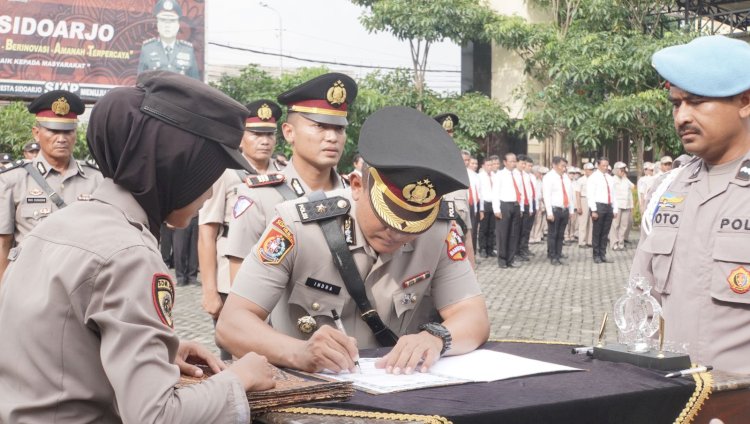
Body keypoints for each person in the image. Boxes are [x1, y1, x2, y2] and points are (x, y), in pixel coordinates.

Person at [0, 71, 275, 422]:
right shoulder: (129, 255)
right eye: (206, 177)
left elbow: (59, 349)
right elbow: (157, 417)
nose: (207, 195)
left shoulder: (62, 223)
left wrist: (159, 352)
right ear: (176, 168)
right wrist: (240, 378)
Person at [216, 106, 489, 374]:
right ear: (357, 186)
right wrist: (299, 352)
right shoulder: (297, 227)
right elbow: (232, 325)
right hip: (311, 391)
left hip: (398, 389)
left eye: (413, 224)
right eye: (388, 216)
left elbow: (473, 315)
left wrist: (437, 338)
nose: (398, 232)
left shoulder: (438, 232)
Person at [633, 35, 750, 373]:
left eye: (697, 101)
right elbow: (641, 303)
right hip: (670, 400)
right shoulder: (667, 189)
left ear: (745, 101)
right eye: (676, 103)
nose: (682, 116)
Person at [225, 72, 355, 281]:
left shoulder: (355, 195)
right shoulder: (257, 198)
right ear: (288, 132)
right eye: (319, 126)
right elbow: (240, 287)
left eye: (339, 128)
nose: (332, 137)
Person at [197, 98, 282, 360]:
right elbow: (207, 233)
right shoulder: (225, 173)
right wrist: (210, 291)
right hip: (230, 282)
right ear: (241, 137)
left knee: (274, 354)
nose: (264, 140)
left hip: (274, 277)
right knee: (236, 357)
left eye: (269, 134)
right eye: (256, 133)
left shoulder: (284, 174)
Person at [0, 90, 103, 277]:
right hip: (30, 282)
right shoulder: (12, 180)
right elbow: (3, 243)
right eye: (53, 131)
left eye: (68, 131)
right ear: (37, 133)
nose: (62, 138)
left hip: (80, 283)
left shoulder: (96, 179)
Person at [434, 113, 475, 267]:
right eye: (444, 132)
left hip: (459, 244)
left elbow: (466, 223)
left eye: (450, 132)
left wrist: (472, 264)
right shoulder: (425, 162)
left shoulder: (458, 166)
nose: (448, 136)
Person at [137, 0, 199, 79]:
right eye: (163, 20)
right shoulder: (147, 49)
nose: (167, 25)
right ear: (158, 25)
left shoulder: (187, 50)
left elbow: (195, 83)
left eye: (172, 21)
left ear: (178, 26)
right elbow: (141, 82)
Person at [492, 152, 524, 269]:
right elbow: (495, 193)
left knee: (513, 234)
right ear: (505, 162)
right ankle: (502, 260)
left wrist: (521, 207)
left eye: (514, 160)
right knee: (503, 233)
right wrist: (496, 209)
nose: (513, 163)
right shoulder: (499, 175)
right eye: (510, 161)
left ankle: (511, 259)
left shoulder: (518, 174)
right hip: (504, 205)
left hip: (515, 205)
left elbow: (520, 192)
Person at [543, 156, 574, 265]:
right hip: (554, 209)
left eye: (565, 166)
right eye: (562, 166)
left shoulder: (565, 177)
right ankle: (553, 256)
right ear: (554, 165)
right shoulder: (548, 177)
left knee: (561, 234)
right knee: (553, 234)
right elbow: (546, 196)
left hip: (564, 209)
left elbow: (570, 194)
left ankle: (558, 253)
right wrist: (549, 212)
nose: (564, 168)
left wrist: (571, 210)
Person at [587, 157, 618, 263]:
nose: (605, 167)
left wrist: (615, 209)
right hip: (598, 206)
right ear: (598, 165)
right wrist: (593, 210)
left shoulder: (610, 178)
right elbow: (590, 195)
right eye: (603, 165)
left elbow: (614, 194)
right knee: (597, 232)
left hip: (609, 206)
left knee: (605, 232)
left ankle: (603, 254)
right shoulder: (593, 177)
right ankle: (596, 255)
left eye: (607, 165)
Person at [609, 162, 634, 251]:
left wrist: (631, 205)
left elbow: (632, 188)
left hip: (626, 205)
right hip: (617, 206)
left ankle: (621, 243)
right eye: (621, 170)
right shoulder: (612, 179)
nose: (622, 171)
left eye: (624, 170)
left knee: (624, 226)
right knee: (615, 225)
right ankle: (614, 244)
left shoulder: (625, 180)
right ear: (616, 170)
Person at [516, 154, 536, 261]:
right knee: (518, 230)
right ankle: (517, 251)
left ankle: (523, 248)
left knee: (525, 229)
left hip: (529, 204)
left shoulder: (528, 176)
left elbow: (530, 193)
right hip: (519, 205)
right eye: (523, 164)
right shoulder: (515, 175)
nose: (525, 166)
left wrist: (532, 207)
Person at [477, 155, 498, 257]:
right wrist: (481, 209)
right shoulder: (480, 176)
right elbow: (480, 193)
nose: (490, 167)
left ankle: (490, 248)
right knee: (483, 228)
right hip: (484, 204)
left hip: (493, 204)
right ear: (483, 166)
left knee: (492, 228)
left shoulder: (495, 176)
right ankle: (483, 248)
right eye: (488, 165)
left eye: (491, 165)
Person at [576, 162, 594, 248]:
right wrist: (579, 206)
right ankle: (582, 242)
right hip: (584, 199)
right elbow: (577, 193)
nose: (590, 171)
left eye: (592, 170)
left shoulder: (594, 179)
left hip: (592, 200)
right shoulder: (580, 180)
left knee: (591, 222)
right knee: (583, 222)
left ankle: (589, 241)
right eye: (589, 170)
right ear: (585, 170)